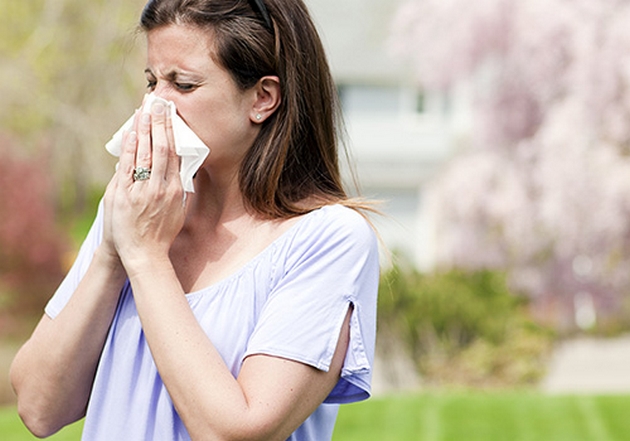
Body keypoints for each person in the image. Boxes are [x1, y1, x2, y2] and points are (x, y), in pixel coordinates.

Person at [10, 0, 379, 440]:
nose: (154, 107)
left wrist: (145, 257)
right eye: (152, 82)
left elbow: (236, 432)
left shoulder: (328, 240)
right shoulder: (136, 209)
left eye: (182, 85)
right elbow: (38, 407)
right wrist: (112, 254)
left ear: (263, 98)